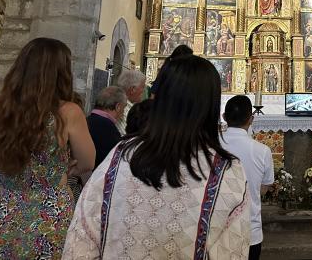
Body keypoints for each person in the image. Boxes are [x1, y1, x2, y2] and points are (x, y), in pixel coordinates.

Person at [63, 55, 250, 258]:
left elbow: (82, 234)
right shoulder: (226, 171)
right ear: (211, 105)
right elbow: (232, 251)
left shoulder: (122, 153)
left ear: (158, 97)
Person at [0, 38, 95, 259]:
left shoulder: (2, 109)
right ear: (61, 72)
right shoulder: (68, 112)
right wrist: (65, 169)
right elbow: (88, 162)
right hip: (49, 212)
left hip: (8, 207)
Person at [221, 96, 274, 260]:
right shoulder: (263, 151)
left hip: (216, 229)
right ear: (251, 119)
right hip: (250, 229)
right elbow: (264, 188)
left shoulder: (210, 145)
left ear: (224, 117)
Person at [86, 86, 126, 168]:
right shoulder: (108, 128)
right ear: (118, 107)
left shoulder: (86, 120)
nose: (123, 112)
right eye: (124, 107)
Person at [115, 69, 146, 134]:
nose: (143, 90)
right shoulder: (123, 108)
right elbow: (126, 134)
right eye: (143, 87)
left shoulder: (131, 106)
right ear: (133, 89)